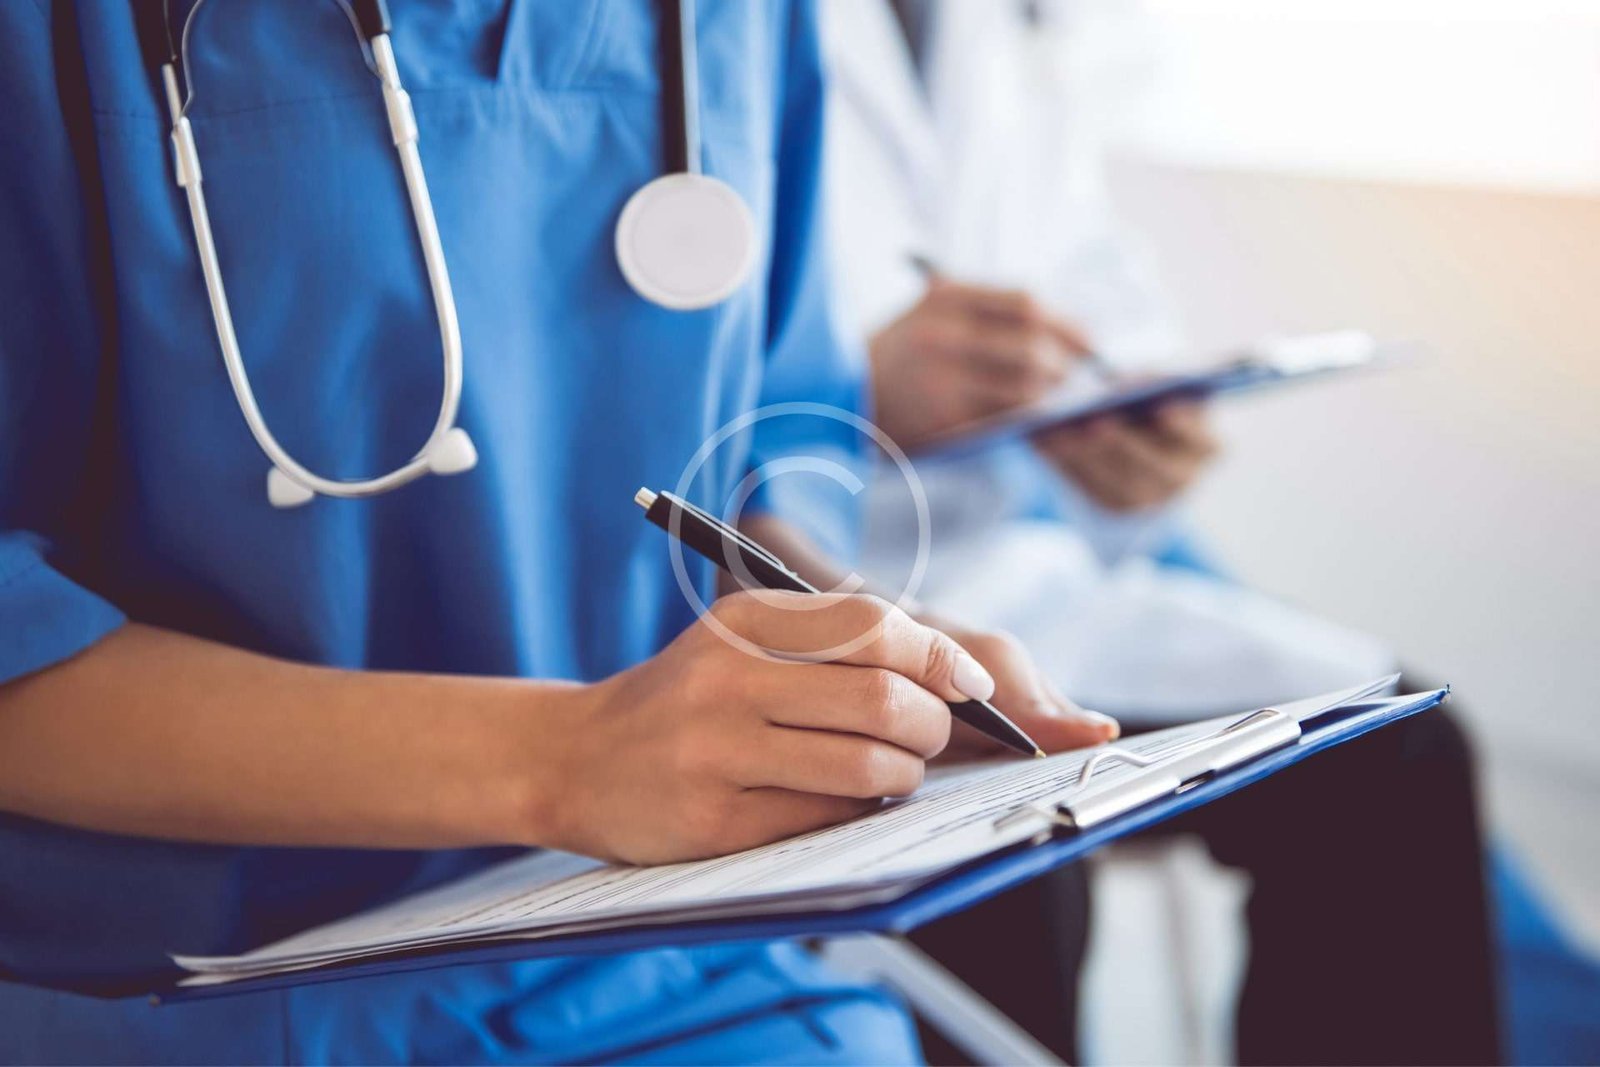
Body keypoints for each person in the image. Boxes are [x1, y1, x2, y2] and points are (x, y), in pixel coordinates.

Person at [0, 2, 1116, 1062]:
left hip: (662, 947)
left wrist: (851, 648)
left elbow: (761, 431)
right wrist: (565, 759)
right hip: (183, 993)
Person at [821, 1, 1502, 1062]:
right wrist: (853, 394)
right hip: (840, 600)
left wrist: (1137, 447)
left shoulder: (1010, 35)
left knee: (1399, 745)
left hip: (1032, 586)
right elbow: (683, 398)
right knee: (992, 837)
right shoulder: (719, 40)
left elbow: (1098, 301)